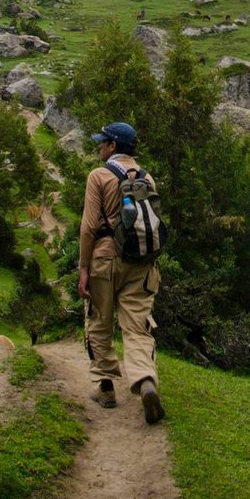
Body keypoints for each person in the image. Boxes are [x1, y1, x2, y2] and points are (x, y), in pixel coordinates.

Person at [78, 120, 165, 424]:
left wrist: (84, 268)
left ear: (113, 146)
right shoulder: (148, 178)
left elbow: (89, 227)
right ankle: (145, 381)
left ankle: (105, 388)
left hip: (103, 260)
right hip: (141, 264)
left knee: (99, 322)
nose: (99, 146)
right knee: (138, 326)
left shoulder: (99, 176)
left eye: (102, 142)